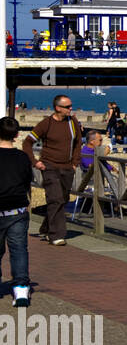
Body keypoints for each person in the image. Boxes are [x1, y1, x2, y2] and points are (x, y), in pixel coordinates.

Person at [22, 94, 83, 246]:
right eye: (67, 106)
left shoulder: (73, 122)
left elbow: (78, 143)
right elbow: (27, 143)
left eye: (71, 106)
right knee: (55, 198)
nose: (71, 109)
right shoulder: (46, 124)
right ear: (58, 108)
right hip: (49, 166)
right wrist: (35, 162)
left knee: (62, 199)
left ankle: (46, 227)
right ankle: (57, 235)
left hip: (67, 167)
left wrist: (75, 163)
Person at [0, 116, 35, 306]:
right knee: (19, 250)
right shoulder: (22, 157)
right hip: (17, 210)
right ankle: (21, 290)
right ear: (16, 135)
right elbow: (26, 181)